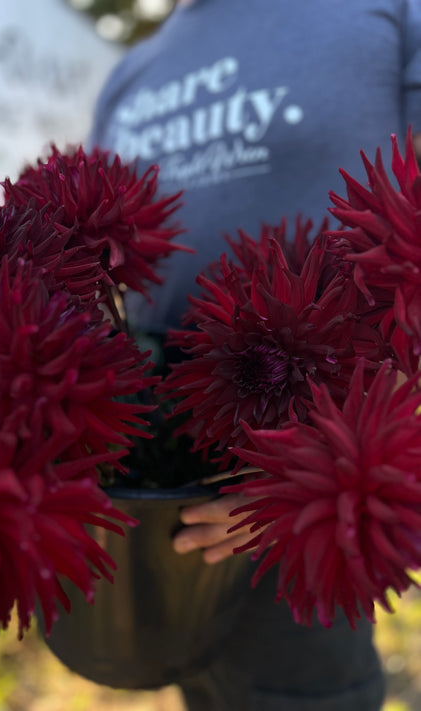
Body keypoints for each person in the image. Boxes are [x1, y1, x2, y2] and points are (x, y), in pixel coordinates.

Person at [88, 1, 421, 708]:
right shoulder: (130, 73)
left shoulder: (385, 9)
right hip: (161, 490)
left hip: (311, 506)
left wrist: (310, 472)